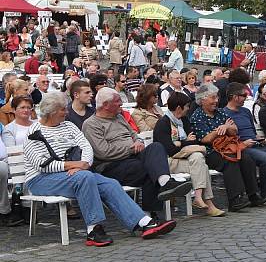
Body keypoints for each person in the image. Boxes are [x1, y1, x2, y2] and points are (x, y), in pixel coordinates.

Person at [24, 92, 178, 245]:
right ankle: (93, 229)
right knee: (86, 177)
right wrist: (73, 165)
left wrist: (84, 163)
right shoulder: (34, 132)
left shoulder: (69, 126)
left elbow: (85, 146)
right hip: (41, 179)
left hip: (76, 173)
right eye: (63, 109)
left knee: (110, 184)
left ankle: (144, 223)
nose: (67, 112)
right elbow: (41, 164)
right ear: (52, 112)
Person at [82, 87, 194, 217]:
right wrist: (131, 148)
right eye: (118, 101)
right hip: (111, 165)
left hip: (133, 157)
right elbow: (103, 152)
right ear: (106, 105)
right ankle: (150, 213)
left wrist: (139, 142)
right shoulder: (91, 124)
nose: (121, 104)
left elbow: (134, 135)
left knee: (156, 146)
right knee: (149, 169)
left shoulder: (119, 117)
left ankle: (164, 184)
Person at [188, 83, 263, 211]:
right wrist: (219, 130)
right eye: (213, 98)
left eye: (216, 97)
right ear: (202, 100)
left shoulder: (220, 112)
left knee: (246, 158)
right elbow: (205, 139)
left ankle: (253, 195)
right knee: (229, 162)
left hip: (226, 146)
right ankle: (234, 200)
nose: (216, 101)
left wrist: (227, 127)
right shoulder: (197, 116)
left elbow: (234, 130)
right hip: (210, 151)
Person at [151, 91, 224, 217]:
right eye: (187, 107)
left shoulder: (184, 120)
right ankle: (208, 204)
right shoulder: (163, 123)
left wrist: (180, 143)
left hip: (183, 158)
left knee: (198, 158)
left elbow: (194, 140)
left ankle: (198, 197)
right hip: (167, 162)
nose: (188, 109)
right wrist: (185, 142)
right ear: (179, 108)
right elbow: (169, 150)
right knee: (201, 163)